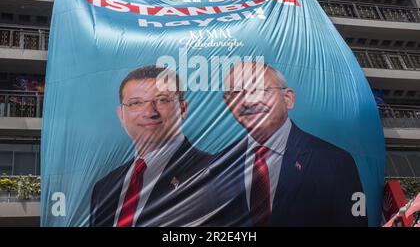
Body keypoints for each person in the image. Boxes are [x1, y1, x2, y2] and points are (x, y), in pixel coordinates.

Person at [205, 62, 368, 226]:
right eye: (237, 93)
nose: (248, 101)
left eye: (260, 90)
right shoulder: (217, 168)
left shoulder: (335, 162)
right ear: (227, 103)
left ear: (288, 99)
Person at [90, 65, 211, 227]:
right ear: (121, 116)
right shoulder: (104, 188)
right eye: (135, 103)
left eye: (162, 100)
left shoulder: (213, 172)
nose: (149, 112)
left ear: (183, 109)